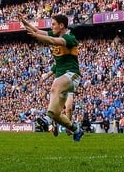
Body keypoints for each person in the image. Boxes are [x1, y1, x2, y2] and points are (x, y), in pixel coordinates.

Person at [21, 14, 84, 142]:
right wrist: (24, 22)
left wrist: (36, 37)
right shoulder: (56, 34)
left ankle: (47, 119)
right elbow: (37, 31)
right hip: (61, 76)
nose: (51, 26)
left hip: (72, 75)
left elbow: (53, 41)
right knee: (57, 114)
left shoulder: (69, 38)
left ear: (61, 26)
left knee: (55, 87)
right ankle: (76, 129)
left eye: (53, 24)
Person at [41, 69, 75, 137]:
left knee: (69, 108)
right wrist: (44, 77)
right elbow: (51, 71)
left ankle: (68, 128)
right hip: (59, 89)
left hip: (68, 88)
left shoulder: (72, 63)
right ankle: (55, 124)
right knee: (57, 110)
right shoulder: (59, 62)